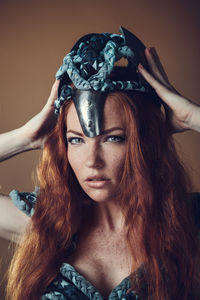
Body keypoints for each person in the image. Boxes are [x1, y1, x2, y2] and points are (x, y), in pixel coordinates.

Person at [1, 27, 200, 300]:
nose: (92, 161)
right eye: (76, 140)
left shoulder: (188, 224)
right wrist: (24, 137)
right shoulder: (46, 224)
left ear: (143, 141)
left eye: (113, 138)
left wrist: (191, 117)